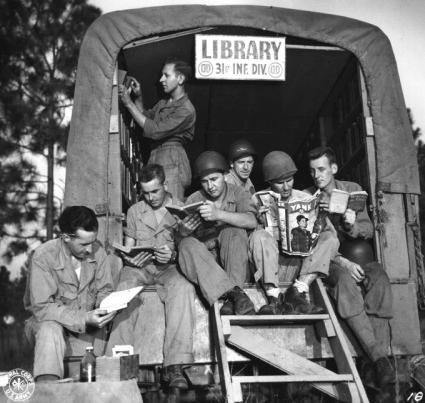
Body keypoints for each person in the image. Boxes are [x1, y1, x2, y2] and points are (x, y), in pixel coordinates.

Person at [305, 146, 395, 391]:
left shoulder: (352, 190)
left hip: (359, 255)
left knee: (381, 281)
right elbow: (307, 244)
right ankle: (379, 359)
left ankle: (372, 362)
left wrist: (352, 225)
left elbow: (367, 230)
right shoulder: (306, 196)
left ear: (333, 169)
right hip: (330, 262)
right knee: (345, 282)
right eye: (312, 171)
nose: (317, 176)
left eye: (322, 169)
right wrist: (342, 261)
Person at [105, 164, 196, 389]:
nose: (150, 197)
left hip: (171, 268)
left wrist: (173, 254)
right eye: (145, 192)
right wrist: (130, 258)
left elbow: (189, 247)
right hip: (141, 268)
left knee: (184, 288)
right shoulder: (136, 210)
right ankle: (121, 368)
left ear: (165, 185)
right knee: (124, 290)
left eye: (155, 191)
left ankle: (175, 366)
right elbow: (129, 247)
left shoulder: (182, 208)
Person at [23, 206, 116, 382]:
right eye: (83, 244)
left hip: (87, 327)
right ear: (66, 237)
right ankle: (48, 389)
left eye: (93, 241)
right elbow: (43, 309)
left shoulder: (98, 251)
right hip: (48, 325)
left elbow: (105, 289)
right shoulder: (43, 256)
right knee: (50, 328)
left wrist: (105, 306)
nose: (90, 249)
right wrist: (85, 318)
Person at [248, 151, 339, 315]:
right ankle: (274, 298)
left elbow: (328, 237)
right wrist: (258, 221)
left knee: (330, 237)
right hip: (271, 266)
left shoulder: (305, 197)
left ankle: (297, 291)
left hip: (300, 266)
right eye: (279, 183)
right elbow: (250, 243)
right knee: (258, 236)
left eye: (289, 180)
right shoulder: (257, 199)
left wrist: (322, 215)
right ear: (269, 182)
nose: (286, 187)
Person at [177, 151, 257, 315]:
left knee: (232, 229)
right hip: (207, 267)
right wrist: (182, 233)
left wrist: (219, 215)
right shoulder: (194, 198)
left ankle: (230, 296)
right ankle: (235, 295)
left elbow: (252, 221)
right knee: (185, 243)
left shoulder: (239, 192)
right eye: (205, 181)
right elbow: (183, 248)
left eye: (214, 179)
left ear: (225, 175)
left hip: (235, 262)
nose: (210, 186)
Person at [118, 57, 196, 201]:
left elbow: (155, 131)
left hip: (172, 157)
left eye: (166, 75)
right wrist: (138, 98)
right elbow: (145, 118)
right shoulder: (164, 103)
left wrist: (129, 104)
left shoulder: (186, 109)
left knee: (169, 210)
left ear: (180, 79)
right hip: (156, 154)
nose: (161, 79)